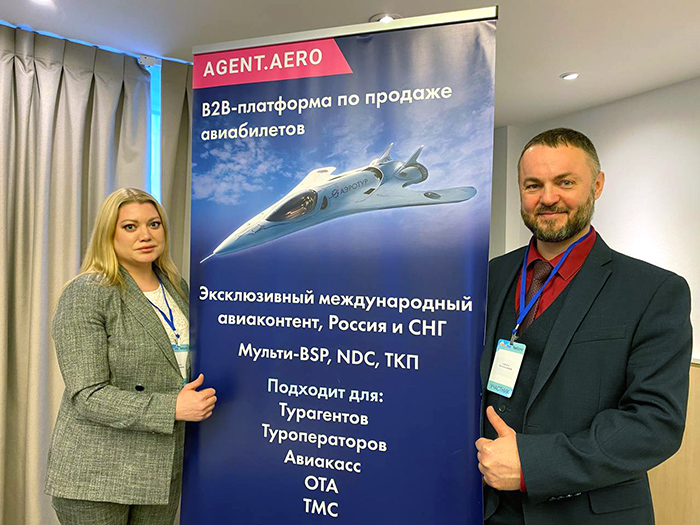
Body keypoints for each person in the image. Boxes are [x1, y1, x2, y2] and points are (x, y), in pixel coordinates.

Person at [475, 128, 692, 524]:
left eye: (565, 182)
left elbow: (655, 424)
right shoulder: (489, 277)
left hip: (588, 514)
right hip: (485, 508)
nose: (548, 198)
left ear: (597, 185)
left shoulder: (654, 291)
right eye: (533, 185)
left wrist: (533, 465)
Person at [45, 188, 217, 524]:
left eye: (154, 224)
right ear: (108, 234)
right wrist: (172, 408)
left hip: (161, 469)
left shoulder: (177, 287)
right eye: (130, 227)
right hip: (97, 474)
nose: (145, 235)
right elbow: (88, 395)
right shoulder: (88, 293)